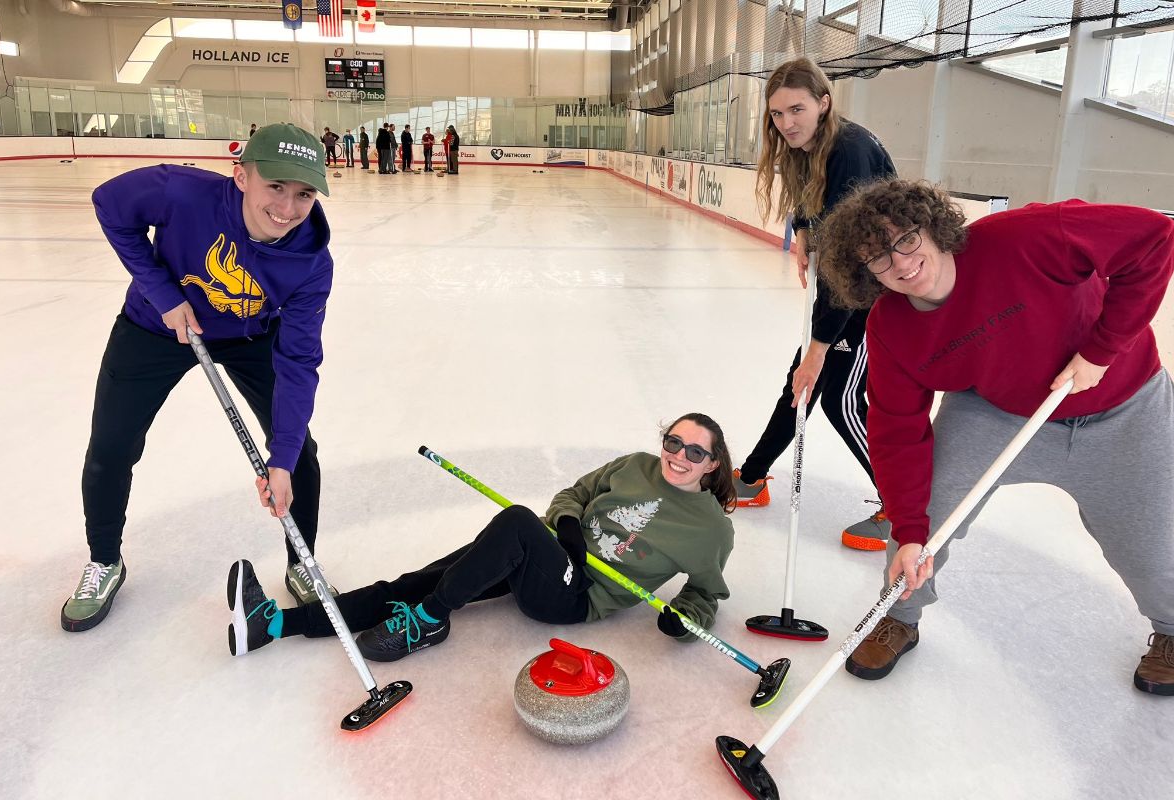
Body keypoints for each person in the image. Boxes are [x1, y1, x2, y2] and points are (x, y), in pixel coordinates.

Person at [816, 178, 1174, 696]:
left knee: (1144, 551)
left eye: (905, 239)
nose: (901, 264)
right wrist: (907, 528)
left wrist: (1103, 349)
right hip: (998, 412)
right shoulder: (890, 327)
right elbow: (896, 430)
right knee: (927, 517)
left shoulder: (1025, 238)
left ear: (932, 225)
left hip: (1124, 408)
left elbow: (1152, 237)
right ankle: (899, 614)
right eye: (878, 260)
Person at [62, 123, 337, 633]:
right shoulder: (180, 192)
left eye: (303, 194)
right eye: (275, 187)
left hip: (251, 337)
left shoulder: (311, 263)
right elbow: (110, 204)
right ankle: (105, 560)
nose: (288, 208)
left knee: (299, 453)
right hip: (155, 328)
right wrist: (163, 294)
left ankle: (303, 561)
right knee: (111, 448)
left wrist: (280, 458)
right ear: (240, 176)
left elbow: (299, 362)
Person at [226, 413, 738, 663]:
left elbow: (706, 592)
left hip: (575, 594)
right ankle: (274, 627)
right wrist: (565, 525)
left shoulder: (711, 529)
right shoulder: (636, 465)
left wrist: (687, 619)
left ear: (713, 465)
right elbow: (574, 494)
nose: (679, 456)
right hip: (545, 553)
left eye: (695, 453)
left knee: (515, 520)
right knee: (417, 582)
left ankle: (429, 622)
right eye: (674, 442)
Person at [732, 57, 897, 552]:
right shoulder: (812, 146)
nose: (786, 124)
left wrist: (820, 346)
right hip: (849, 285)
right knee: (800, 386)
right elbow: (811, 202)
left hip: (878, 293)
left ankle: (904, 507)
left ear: (824, 103)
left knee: (839, 400)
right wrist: (804, 232)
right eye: (777, 114)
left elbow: (852, 265)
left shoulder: (850, 151)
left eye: (796, 110)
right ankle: (754, 476)